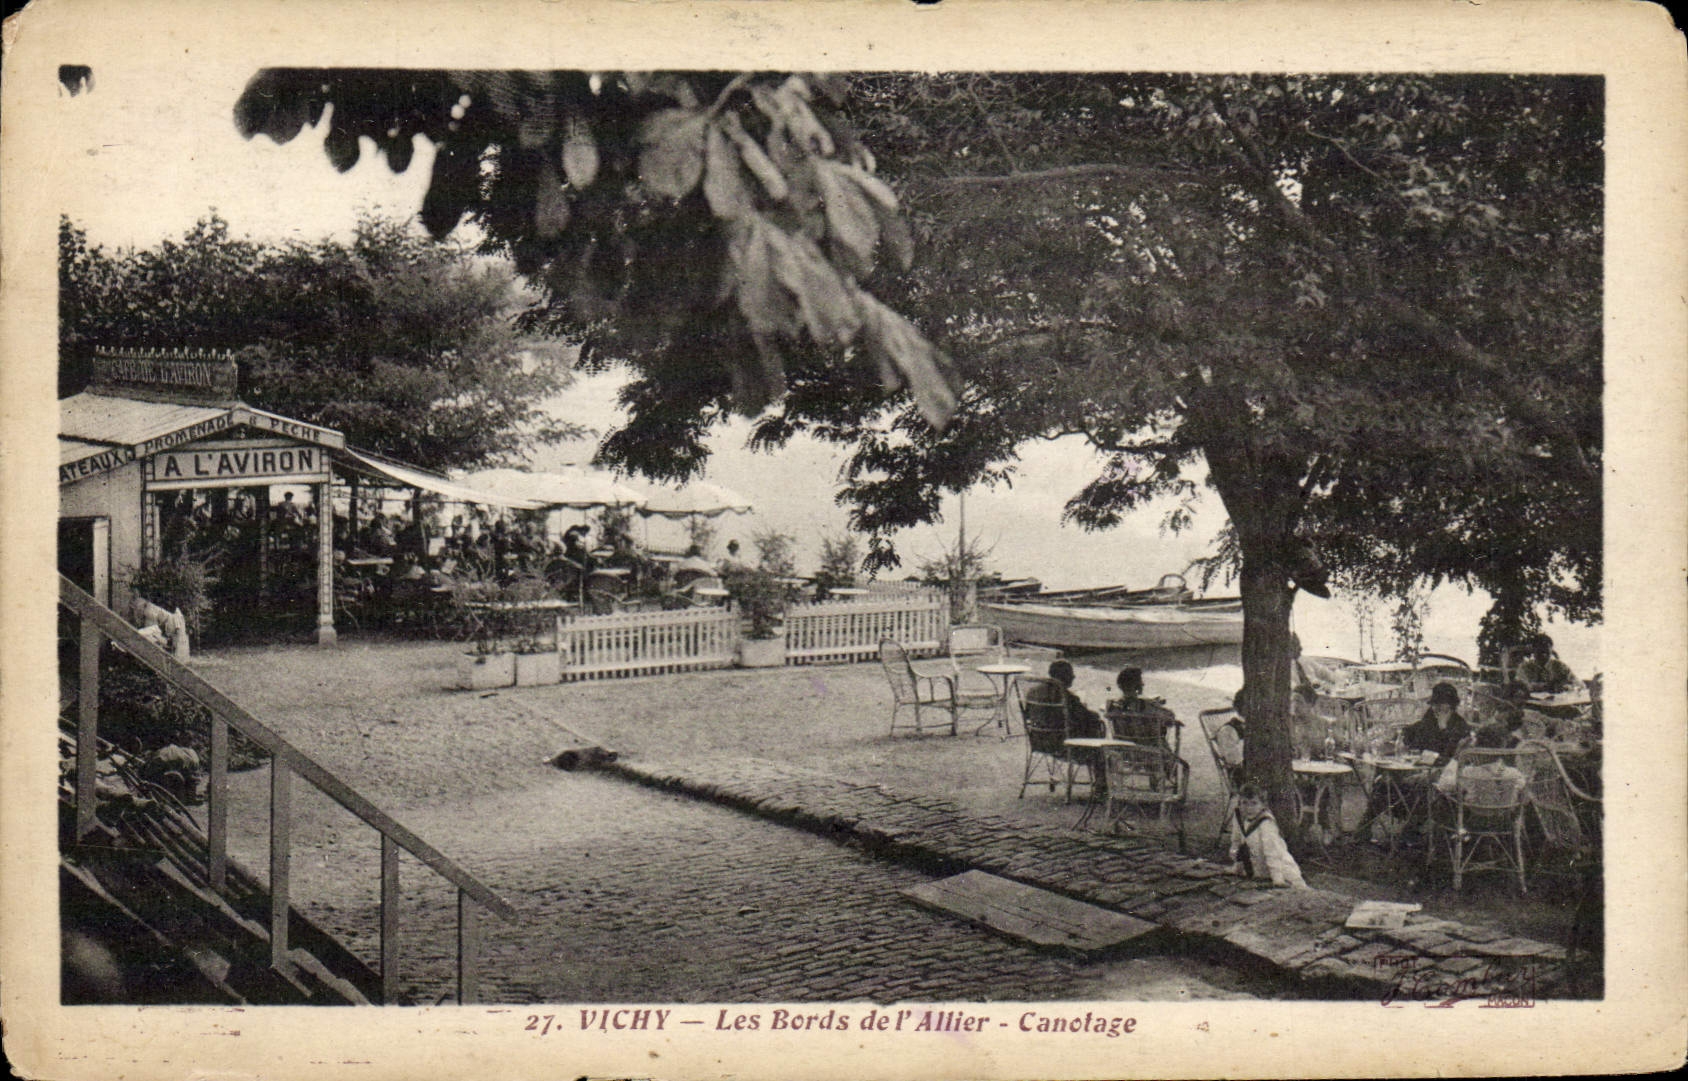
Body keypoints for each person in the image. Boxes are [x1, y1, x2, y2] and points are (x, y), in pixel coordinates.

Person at [1228, 783, 1308, 889]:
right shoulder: (1239, 817)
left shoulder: (1266, 823)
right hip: (1258, 869)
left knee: (1294, 891)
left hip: (1280, 869)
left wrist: (1278, 880)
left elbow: (1272, 852)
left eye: (1254, 803)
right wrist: (1237, 865)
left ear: (1263, 805)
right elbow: (1236, 841)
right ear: (1239, 803)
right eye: (1244, 803)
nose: (1249, 808)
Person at [1400, 681, 1472, 764]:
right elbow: (1413, 736)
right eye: (1434, 704)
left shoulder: (1460, 725)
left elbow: (1447, 755)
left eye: (1441, 705)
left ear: (1452, 706)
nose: (1436, 708)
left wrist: (1443, 729)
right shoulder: (1430, 717)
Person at [1108, 666, 1177, 748]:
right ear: (1137, 686)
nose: (1143, 684)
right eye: (1141, 681)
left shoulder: (1112, 706)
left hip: (1125, 750)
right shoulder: (1146, 706)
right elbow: (1170, 719)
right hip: (1150, 751)